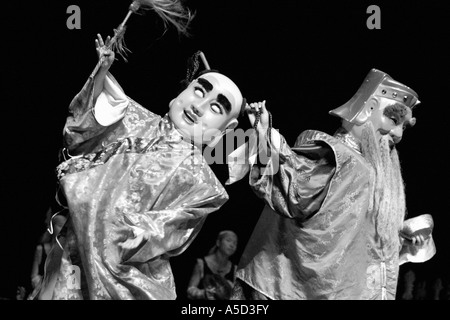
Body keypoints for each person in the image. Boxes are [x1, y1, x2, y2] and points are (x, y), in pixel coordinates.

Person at [36, 34, 245, 300]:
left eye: (215, 107)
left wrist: (138, 230)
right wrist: (102, 70)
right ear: (182, 92)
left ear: (223, 132)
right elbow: (82, 128)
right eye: (199, 91)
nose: (199, 106)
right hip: (76, 248)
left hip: (125, 271)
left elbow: (174, 227)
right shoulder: (132, 118)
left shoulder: (203, 184)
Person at [228, 68, 435, 300]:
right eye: (394, 120)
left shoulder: (368, 172)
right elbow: (293, 190)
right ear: (368, 109)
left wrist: (404, 244)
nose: (398, 134)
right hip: (286, 287)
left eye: (404, 126)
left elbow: (354, 239)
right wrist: (266, 135)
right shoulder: (336, 156)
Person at [186, 230, 238, 300]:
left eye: (235, 243)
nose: (232, 245)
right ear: (218, 242)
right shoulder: (201, 264)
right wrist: (204, 293)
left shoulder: (235, 269)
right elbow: (189, 291)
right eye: (228, 240)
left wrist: (230, 290)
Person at [27, 213, 67, 300]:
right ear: (52, 227)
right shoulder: (40, 248)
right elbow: (34, 276)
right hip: (42, 291)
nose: (63, 229)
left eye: (65, 226)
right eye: (60, 225)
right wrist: (44, 285)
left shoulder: (67, 252)